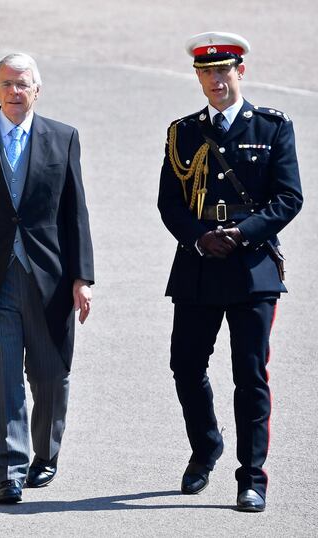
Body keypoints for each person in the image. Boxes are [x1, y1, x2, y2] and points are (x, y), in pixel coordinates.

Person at [157, 32, 303, 512]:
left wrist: (240, 235)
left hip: (251, 269)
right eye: (206, 72)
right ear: (197, 77)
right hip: (198, 266)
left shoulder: (273, 127)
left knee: (250, 376)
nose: (216, 80)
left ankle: (252, 476)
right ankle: (205, 448)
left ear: (241, 71)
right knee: (185, 367)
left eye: (223, 71)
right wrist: (200, 237)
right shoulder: (183, 132)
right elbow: (169, 202)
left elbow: (288, 197)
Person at [0, 53, 95, 504]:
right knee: (2, 374)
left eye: (22, 84)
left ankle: (44, 457)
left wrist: (82, 278)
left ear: (37, 90)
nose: (14, 91)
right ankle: (8, 471)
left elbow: (76, 212)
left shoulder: (63, 138)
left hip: (49, 276)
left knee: (50, 374)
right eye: (6, 84)